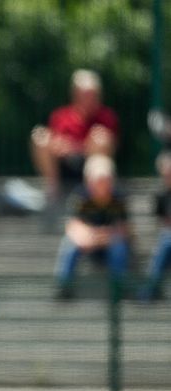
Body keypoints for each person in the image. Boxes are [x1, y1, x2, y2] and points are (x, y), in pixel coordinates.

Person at [31, 69, 119, 205]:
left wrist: (76, 147)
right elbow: (55, 143)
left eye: (93, 95)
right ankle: (53, 188)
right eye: (86, 95)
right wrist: (62, 146)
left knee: (101, 138)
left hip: (91, 164)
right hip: (64, 165)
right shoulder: (61, 116)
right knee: (40, 136)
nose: (90, 99)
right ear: (75, 95)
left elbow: (110, 146)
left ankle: (92, 190)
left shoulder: (106, 117)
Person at [53, 154, 130, 300]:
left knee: (119, 248)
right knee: (69, 246)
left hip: (109, 243)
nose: (102, 184)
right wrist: (90, 237)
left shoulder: (119, 198)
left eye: (105, 180)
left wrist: (98, 237)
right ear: (89, 181)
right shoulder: (80, 196)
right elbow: (73, 226)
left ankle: (119, 288)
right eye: (98, 181)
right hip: (88, 242)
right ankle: (64, 287)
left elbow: (123, 230)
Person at [140, 151, 171, 301]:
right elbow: (160, 223)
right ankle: (150, 291)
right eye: (166, 174)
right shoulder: (159, 195)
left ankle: (149, 291)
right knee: (166, 241)